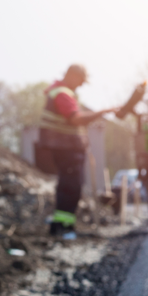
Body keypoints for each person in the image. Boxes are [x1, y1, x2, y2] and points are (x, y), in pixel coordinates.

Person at [37, 65, 120, 239]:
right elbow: (76, 119)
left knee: (70, 186)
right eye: (81, 80)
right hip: (66, 150)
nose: (81, 85)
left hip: (67, 149)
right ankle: (63, 227)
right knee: (70, 187)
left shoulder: (60, 92)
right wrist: (102, 112)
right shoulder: (62, 94)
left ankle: (63, 225)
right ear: (72, 76)